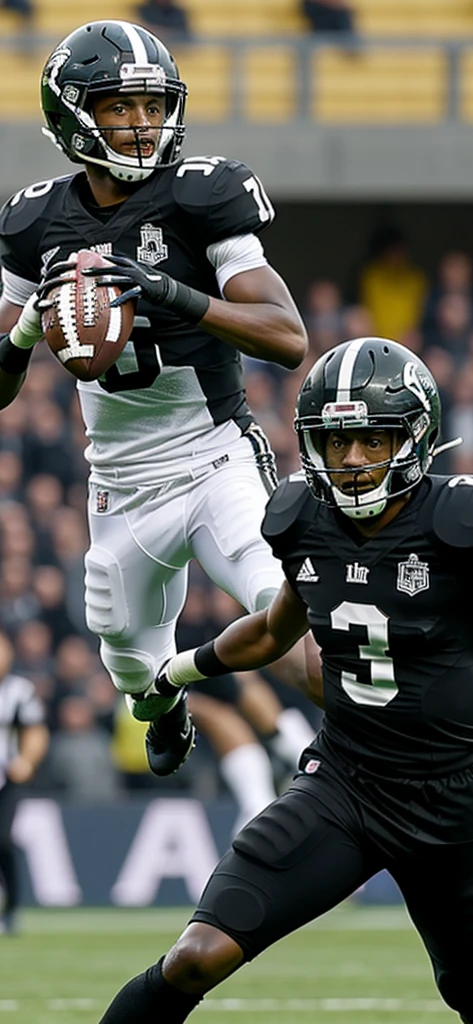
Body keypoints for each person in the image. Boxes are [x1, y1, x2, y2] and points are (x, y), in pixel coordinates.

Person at [97, 337, 473, 1024]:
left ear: (415, 436)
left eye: (372, 440)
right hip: (342, 784)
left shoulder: (466, 520)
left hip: (449, 803)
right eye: (336, 442)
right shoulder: (301, 517)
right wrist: (176, 671)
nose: (350, 461)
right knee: (196, 954)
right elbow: (272, 630)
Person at [0, 21, 309, 779]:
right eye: (120, 107)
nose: (143, 124)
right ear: (73, 114)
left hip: (215, 458)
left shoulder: (202, 195)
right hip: (121, 486)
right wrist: (24, 332)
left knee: (290, 612)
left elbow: (287, 336)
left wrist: (173, 293)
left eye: (152, 104)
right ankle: (161, 697)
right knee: (131, 667)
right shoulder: (34, 220)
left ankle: (399, 754)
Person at [0, 630, 49, 934]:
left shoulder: (18, 690)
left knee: (2, 840)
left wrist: (27, 761)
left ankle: (12, 909)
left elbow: (35, 730)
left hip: (6, 778)